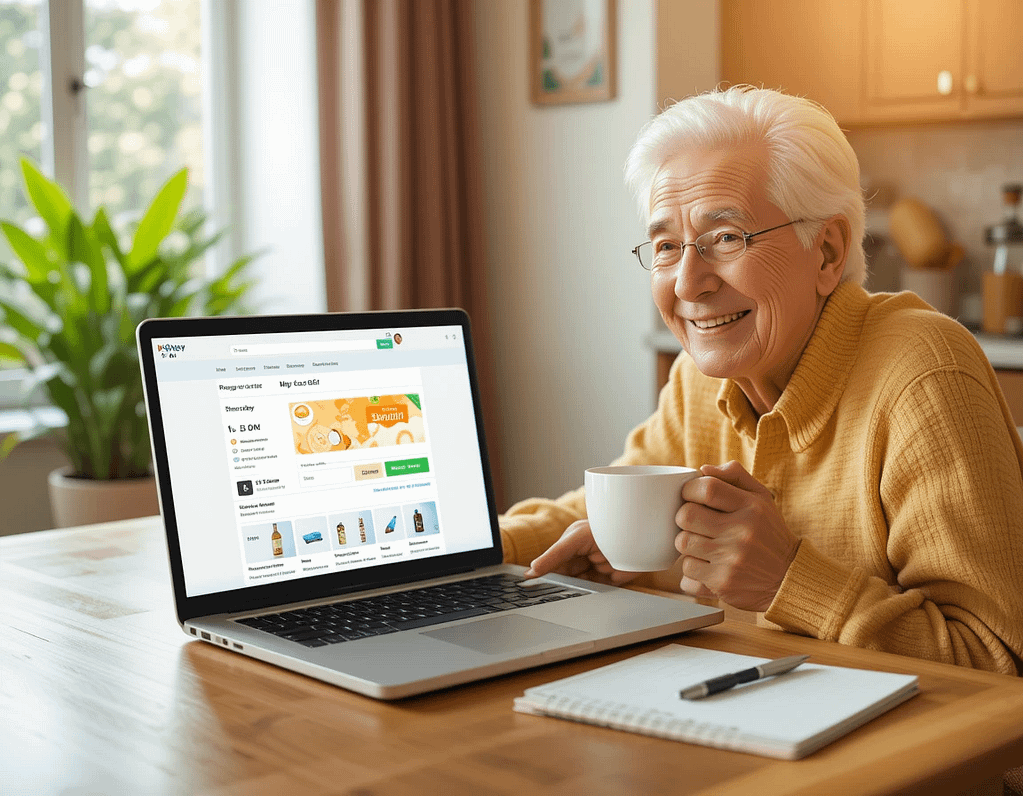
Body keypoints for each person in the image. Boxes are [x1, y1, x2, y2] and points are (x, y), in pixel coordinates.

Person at [498, 86, 1023, 676]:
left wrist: (787, 580)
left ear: (825, 252)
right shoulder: (702, 380)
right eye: (668, 246)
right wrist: (455, 551)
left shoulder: (923, 377)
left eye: (726, 238)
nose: (689, 283)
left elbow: (996, 662)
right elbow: (596, 514)